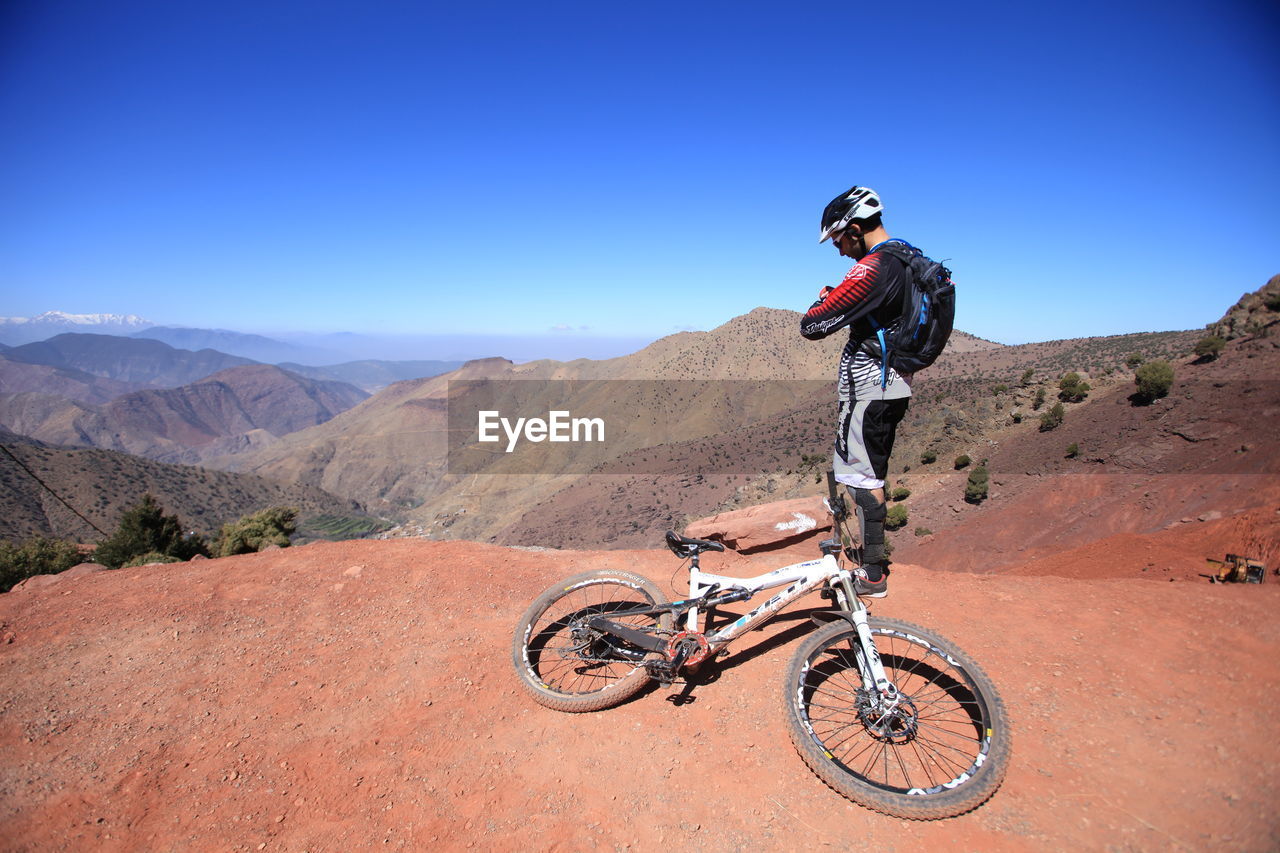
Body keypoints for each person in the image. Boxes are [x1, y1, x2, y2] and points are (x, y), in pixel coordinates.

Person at [800, 185, 919, 598]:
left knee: (860, 478)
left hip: (869, 385)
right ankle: (870, 561)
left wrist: (827, 301)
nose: (837, 249)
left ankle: (872, 573)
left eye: (837, 239)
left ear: (853, 229)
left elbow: (813, 325)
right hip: (894, 383)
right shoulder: (907, 256)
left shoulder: (872, 267)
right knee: (871, 472)